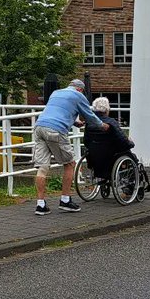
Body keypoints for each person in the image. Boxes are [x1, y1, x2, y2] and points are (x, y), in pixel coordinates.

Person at [32, 79, 107, 215]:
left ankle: (40, 205)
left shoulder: (56, 93)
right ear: (80, 89)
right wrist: (102, 125)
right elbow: (89, 115)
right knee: (69, 164)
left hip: (39, 127)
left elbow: (59, 111)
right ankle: (65, 200)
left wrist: (74, 122)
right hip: (56, 130)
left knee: (42, 168)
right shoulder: (79, 96)